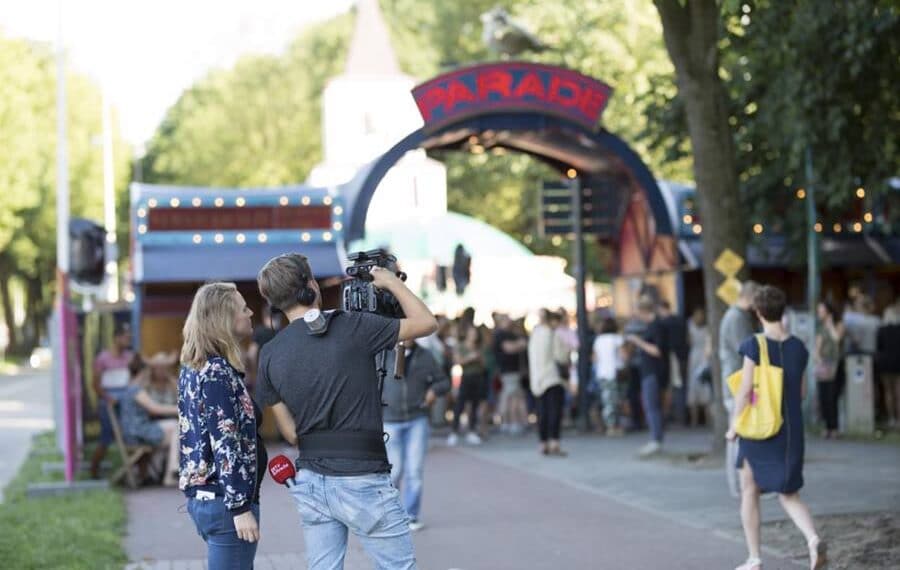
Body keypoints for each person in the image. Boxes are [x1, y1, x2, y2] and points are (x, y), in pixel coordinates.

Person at [255, 253, 437, 570]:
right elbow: (427, 323)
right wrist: (391, 282)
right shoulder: (352, 326)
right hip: (363, 476)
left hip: (311, 481)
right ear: (310, 287)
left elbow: (292, 434)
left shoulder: (269, 354)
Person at [727, 285, 826, 570]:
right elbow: (802, 392)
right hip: (790, 429)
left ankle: (754, 558)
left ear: (758, 312)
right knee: (789, 493)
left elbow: (745, 390)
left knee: (749, 489)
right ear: (783, 312)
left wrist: (734, 426)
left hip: (759, 429)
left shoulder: (753, 345)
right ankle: (812, 539)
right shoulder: (799, 348)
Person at [178, 282, 267, 569]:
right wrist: (240, 507)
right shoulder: (216, 371)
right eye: (244, 308)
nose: (250, 313)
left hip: (208, 497)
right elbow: (225, 442)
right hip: (227, 504)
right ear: (224, 318)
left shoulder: (194, 368)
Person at [382, 340, 451, 531]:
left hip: (417, 418)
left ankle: (411, 515)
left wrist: (434, 391)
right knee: (394, 471)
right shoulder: (383, 353)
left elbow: (443, 381)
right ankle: (391, 514)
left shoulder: (425, 355)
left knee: (414, 471)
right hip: (389, 419)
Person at [719, 281, 760, 497]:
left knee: (738, 432)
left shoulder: (736, 316)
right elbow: (746, 350)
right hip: (737, 382)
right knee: (737, 434)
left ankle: (743, 484)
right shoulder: (737, 318)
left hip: (736, 381)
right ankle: (739, 485)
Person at [118, 354, 180, 486]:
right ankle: (171, 471)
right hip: (137, 433)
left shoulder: (130, 388)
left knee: (175, 432)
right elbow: (154, 408)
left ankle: (168, 473)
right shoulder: (135, 389)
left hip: (137, 430)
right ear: (143, 372)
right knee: (176, 428)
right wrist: (179, 409)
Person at [89, 321, 135, 479]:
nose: (128, 341)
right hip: (108, 401)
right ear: (116, 338)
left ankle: (137, 472)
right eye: (125, 337)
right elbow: (95, 384)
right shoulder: (103, 358)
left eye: (129, 338)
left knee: (130, 434)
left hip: (126, 400)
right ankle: (93, 471)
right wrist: (108, 398)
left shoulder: (129, 357)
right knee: (106, 437)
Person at [625, 296, 666, 457]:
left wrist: (638, 342)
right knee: (651, 406)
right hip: (649, 371)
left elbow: (657, 350)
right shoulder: (651, 326)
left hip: (653, 371)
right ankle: (655, 438)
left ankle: (656, 439)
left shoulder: (656, 326)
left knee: (651, 406)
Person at [528, 310, 569, 456]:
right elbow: (561, 356)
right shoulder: (553, 334)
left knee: (542, 411)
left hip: (537, 379)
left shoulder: (534, 335)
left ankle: (542, 442)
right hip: (552, 377)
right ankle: (554, 442)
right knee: (554, 411)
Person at [448, 326, 487, 446]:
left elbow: (485, 364)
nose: (473, 335)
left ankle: (472, 430)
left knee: (475, 405)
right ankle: (454, 431)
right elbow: (456, 360)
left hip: (478, 377)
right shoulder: (460, 346)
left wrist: (480, 358)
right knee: (460, 404)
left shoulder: (479, 347)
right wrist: (470, 358)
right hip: (465, 377)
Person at [493, 313, 529, 435]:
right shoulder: (500, 335)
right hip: (508, 371)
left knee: (515, 397)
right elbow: (509, 348)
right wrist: (520, 344)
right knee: (510, 396)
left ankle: (511, 422)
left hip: (514, 370)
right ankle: (508, 422)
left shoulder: (510, 334)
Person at [815, 301, 845, 438]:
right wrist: (818, 359)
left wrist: (830, 324)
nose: (819, 313)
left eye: (821, 311)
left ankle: (835, 428)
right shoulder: (820, 327)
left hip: (836, 364)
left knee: (833, 396)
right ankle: (827, 426)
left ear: (829, 312)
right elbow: (817, 346)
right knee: (823, 396)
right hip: (824, 364)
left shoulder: (839, 324)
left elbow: (837, 338)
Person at [592, 317, 625, 436]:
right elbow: (624, 355)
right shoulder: (617, 339)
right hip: (614, 372)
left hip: (602, 373)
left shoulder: (599, 340)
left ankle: (609, 425)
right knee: (614, 400)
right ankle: (612, 425)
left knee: (607, 399)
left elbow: (594, 358)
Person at [659, 300, 689, 425]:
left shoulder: (663, 323)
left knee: (673, 386)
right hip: (683, 355)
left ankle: (674, 415)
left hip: (671, 356)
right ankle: (682, 415)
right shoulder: (680, 321)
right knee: (682, 385)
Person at [686, 307, 711, 427]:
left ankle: (695, 421)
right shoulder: (706, 328)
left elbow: (689, 342)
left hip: (696, 356)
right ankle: (705, 420)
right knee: (703, 387)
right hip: (701, 357)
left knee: (695, 387)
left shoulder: (691, 326)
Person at [876, 303, 900, 427]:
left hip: (885, 364)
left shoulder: (881, 330)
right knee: (898, 392)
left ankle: (891, 418)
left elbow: (878, 347)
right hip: (898, 363)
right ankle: (899, 419)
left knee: (888, 392)